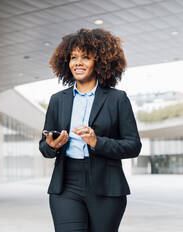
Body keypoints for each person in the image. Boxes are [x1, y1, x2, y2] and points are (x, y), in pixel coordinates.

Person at [39, 28, 142, 232]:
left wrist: (98, 142)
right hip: (66, 183)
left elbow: (133, 146)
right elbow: (44, 146)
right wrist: (51, 145)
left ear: (101, 61)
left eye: (85, 57)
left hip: (106, 186)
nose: (78, 62)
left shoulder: (117, 99)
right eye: (73, 57)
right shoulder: (57, 100)